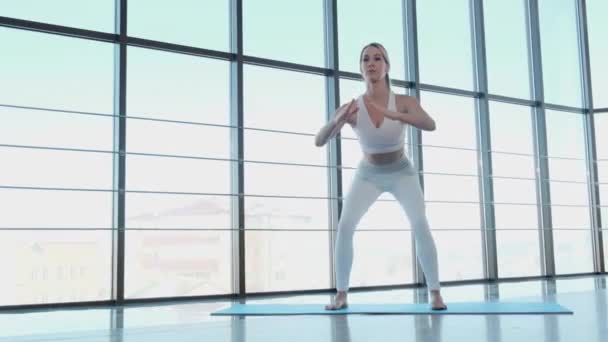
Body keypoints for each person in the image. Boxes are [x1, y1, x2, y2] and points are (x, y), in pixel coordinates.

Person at [315, 42, 447, 311]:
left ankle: (435, 293)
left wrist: (393, 114)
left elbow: (430, 125)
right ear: (361, 68)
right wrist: (337, 121)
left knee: (420, 223)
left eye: (377, 58)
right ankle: (341, 295)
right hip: (368, 175)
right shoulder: (351, 107)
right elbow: (320, 141)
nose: (371, 63)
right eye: (366, 59)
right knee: (345, 226)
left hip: (402, 172)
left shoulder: (404, 102)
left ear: (387, 66)